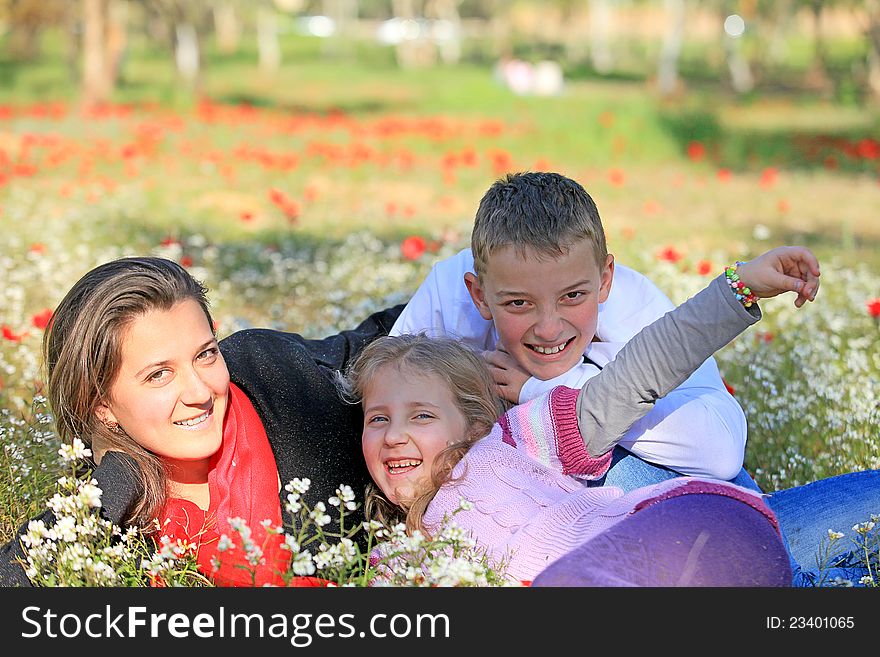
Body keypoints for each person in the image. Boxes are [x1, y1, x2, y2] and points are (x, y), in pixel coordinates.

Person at [346, 247, 877, 586]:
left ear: (471, 422)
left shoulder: (514, 441)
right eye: (377, 420)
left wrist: (737, 289)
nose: (394, 436)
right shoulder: (399, 563)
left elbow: (639, 373)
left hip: (683, 529)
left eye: (420, 417)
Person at [0, 256, 404, 586]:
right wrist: (115, 486)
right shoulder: (106, 504)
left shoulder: (275, 375)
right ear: (100, 404)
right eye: (159, 374)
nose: (199, 392)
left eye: (206, 354)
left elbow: (387, 335)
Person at [390, 171, 755, 490]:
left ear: (604, 281)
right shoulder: (449, 297)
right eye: (519, 303)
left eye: (573, 296)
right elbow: (389, 407)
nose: (549, 329)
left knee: (603, 465)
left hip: (686, 493)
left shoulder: (637, 307)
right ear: (479, 295)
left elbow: (720, 455)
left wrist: (544, 390)